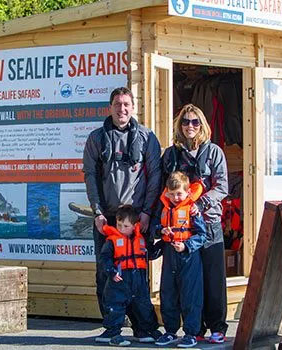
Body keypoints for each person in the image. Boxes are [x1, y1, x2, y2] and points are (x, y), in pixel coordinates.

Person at [83, 87, 162, 343]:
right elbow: (90, 177)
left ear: (133, 106)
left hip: (137, 219)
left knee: (137, 274)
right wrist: (97, 211)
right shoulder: (96, 138)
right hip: (108, 220)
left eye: (126, 104)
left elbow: (155, 178)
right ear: (110, 107)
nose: (122, 109)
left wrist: (148, 212)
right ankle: (111, 328)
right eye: (117, 104)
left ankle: (142, 328)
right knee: (106, 274)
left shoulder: (148, 138)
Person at [161, 104, 229, 344]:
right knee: (187, 282)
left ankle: (217, 327)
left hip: (207, 225)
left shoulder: (214, 152)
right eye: (185, 122)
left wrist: (201, 204)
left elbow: (221, 187)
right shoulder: (170, 155)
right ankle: (193, 327)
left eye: (195, 122)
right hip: (179, 231)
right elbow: (162, 189)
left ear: (202, 125)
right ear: (179, 126)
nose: (190, 126)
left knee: (213, 278)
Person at [151, 171, 207, 348]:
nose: (176, 197)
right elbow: (153, 228)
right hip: (169, 255)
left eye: (179, 193)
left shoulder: (192, 210)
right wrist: (161, 231)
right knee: (168, 294)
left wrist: (187, 246)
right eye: (172, 193)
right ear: (167, 192)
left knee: (191, 296)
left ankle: (191, 333)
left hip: (189, 257)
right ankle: (170, 331)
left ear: (187, 192)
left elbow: (202, 235)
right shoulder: (164, 208)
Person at [97, 205, 162, 347]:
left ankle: (145, 330)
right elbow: (104, 258)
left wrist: (163, 244)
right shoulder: (111, 241)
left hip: (138, 278)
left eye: (125, 225)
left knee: (143, 305)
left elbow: (150, 253)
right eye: (118, 225)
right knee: (116, 305)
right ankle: (112, 332)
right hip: (119, 279)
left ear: (134, 226)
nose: (121, 228)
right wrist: (111, 271)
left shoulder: (141, 240)